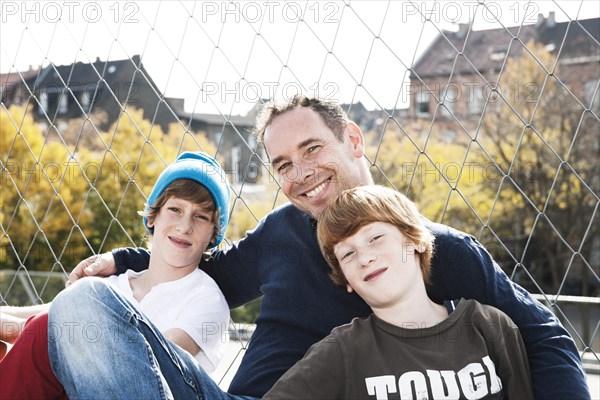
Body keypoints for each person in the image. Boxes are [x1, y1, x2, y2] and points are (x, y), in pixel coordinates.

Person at [51, 96, 589, 399]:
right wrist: (125, 261)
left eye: (312, 148)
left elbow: (545, 336)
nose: (301, 173)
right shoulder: (281, 231)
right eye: (283, 165)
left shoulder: (430, 249)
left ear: (353, 140)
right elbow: (204, 266)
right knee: (85, 306)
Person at [264, 185, 534, 399]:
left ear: (415, 241)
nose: (365, 258)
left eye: (375, 238)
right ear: (346, 280)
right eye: (348, 253)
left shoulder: (489, 327)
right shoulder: (344, 351)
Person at [0, 151, 231, 399]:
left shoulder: (205, 297)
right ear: (153, 216)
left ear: (213, 234)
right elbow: (49, 313)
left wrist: (43, 330)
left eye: (201, 217)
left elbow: (149, 363)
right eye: (175, 209)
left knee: (51, 326)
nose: (185, 226)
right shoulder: (114, 284)